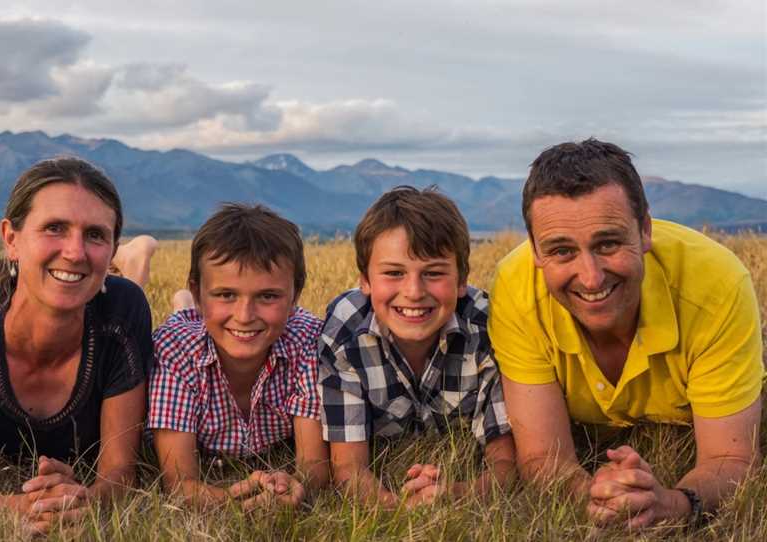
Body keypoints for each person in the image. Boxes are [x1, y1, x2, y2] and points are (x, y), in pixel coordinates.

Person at [488, 139, 764, 528]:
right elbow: (543, 458)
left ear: (645, 230)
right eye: (562, 251)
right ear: (534, 250)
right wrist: (597, 499)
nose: (591, 277)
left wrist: (672, 504)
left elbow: (732, 460)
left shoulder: (717, 285)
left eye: (609, 243)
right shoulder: (516, 288)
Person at [0, 157, 154, 534]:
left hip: (109, 298)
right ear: (11, 239)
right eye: (54, 228)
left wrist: (82, 499)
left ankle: (135, 261)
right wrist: (25, 506)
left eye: (96, 235)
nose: (75, 251)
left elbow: (119, 476)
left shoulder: (125, 310)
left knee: (118, 290)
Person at [318, 186, 515, 507]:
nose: (413, 291)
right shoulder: (346, 331)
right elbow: (348, 467)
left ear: (462, 279)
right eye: (394, 273)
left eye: (434, 273)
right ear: (365, 281)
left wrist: (453, 495)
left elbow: (505, 465)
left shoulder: (486, 328)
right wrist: (397, 509)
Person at [147, 204, 328, 509]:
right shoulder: (173, 351)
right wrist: (235, 498)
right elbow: (179, 485)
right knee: (183, 322)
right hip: (193, 331)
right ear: (199, 289)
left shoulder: (309, 341)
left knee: (220, 323)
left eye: (268, 296)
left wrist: (292, 488)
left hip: (213, 323)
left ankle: (194, 305)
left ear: (295, 296)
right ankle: (184, 305)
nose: (245, 315)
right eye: (226, 294)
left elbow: (315, 469)